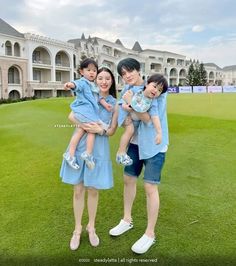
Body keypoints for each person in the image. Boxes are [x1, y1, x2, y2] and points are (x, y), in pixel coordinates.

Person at [109, 58, 169, 254]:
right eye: (123, 74)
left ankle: (150, 234)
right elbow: (121, 113)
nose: (127, 76)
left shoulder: (155, 88)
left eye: (130, 71)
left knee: (150, 187)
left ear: (138, 70)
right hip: (134, 144)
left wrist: (130, 103)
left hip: (153, 145)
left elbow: (147, 119)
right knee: (128, 180)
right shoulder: (127, 88)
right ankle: (127, 220)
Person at [60, 66, 118, 250]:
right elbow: (70, 116)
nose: (103, 81)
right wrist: (87, 125)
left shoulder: (113, 103)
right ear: (94, 79)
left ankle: (91, 227)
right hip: (79, 148)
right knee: (78, 191)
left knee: (93, 190)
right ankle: (77, 229)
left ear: (112, 81)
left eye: (107, 78)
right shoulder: (87, 94)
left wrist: (100, 130)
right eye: (100, 77)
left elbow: (112, 130)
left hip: (98, 150)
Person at [63, 58, 112, 171]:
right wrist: (69, 84)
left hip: (88, 112)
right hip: (84, 111)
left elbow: (98, 97)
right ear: (81, 72)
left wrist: (105, 104)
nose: (91, 72)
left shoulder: (93, 85)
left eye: (94, 70)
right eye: (88, 70)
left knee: (81, 130)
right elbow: (76, 85)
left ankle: (71, 155)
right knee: (91, 129)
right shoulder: (83, 82)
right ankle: (86, 154)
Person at [116, 73, 167, 166]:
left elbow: (155, 117)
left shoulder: (153, 102)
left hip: (135, 119)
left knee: (133, 131)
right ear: (147, 84)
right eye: (154, 86)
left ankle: (124, 153)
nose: (156, 90)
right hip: (125, 114)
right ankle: (121, 153)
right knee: (130, 130)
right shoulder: (137, 90)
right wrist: (125, 105)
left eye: (159, 90)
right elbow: (123, 99)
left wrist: (159, 133)